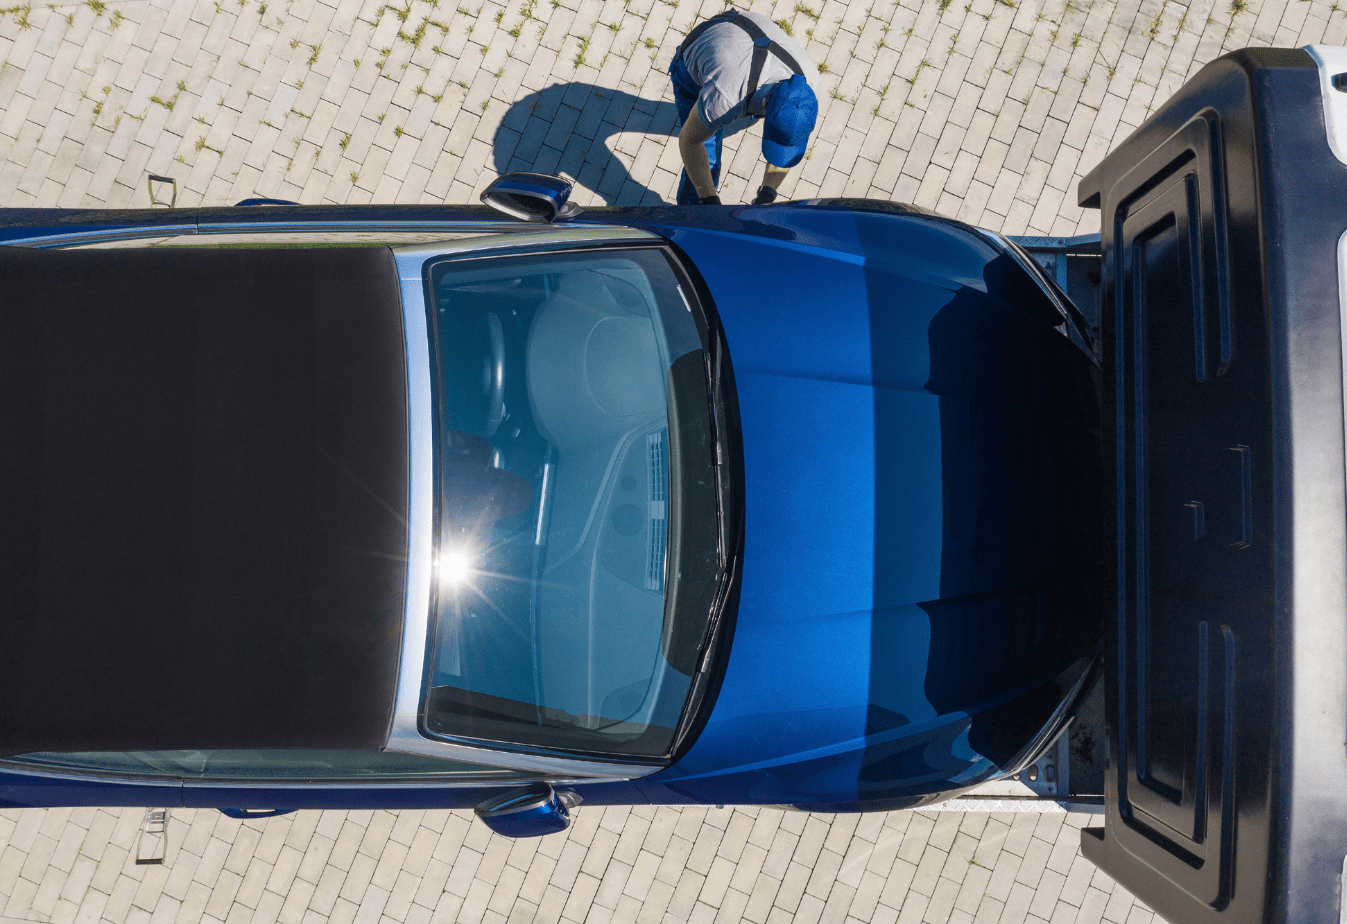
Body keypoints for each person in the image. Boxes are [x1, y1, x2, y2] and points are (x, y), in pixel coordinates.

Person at [668, 10, 821, 205]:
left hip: (745, 37)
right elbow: (689, 142)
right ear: (765, 106)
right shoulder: (726, 99)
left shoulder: (811, 88)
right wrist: (708, 200)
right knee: (708, 154)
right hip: (698, 55)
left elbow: (786, 137)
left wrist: (768, 194)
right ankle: (691, 213)